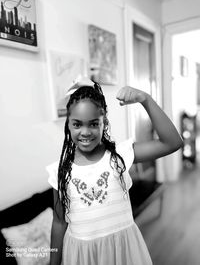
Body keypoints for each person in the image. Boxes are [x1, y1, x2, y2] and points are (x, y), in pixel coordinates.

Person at [46, 78, 183, 265]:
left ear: (105, 122)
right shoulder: (60, 171)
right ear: (68, 125)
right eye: (77, 124)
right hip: (82, 256)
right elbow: (59, 223)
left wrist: (146, 99)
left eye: (94, 123)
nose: (85, 132)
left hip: (123, 251)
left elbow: (172, 143)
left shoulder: (120, 155)